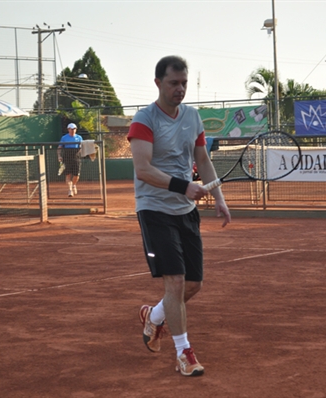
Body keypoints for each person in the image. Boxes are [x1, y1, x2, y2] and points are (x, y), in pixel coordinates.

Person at [127, 55, 231, 377]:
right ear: (158, 83)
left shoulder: (192, 117)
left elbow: (203, 159)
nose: (180, 89)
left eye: (184, 83)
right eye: (174, 83)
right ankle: (184, 353)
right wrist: (183, 186)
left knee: (193, 285)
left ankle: (154, 315)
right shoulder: (144, 120)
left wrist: (218, 196)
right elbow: (143, 169)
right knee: (174, 281)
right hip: (155, 210)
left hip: (186, 211)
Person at [57, 123, 83, 197]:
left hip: (76, 158)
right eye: (71, 129)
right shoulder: (64, 138)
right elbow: (59, 148)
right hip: (67, 158)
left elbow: (81, 147)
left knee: (77, 175)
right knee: (68, 175)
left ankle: (74, 185)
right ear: (68, 129)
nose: (73, 130)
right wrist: (59, 156)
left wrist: (81, 151)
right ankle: (70, 190)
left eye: (74, 129)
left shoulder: (79, 137)